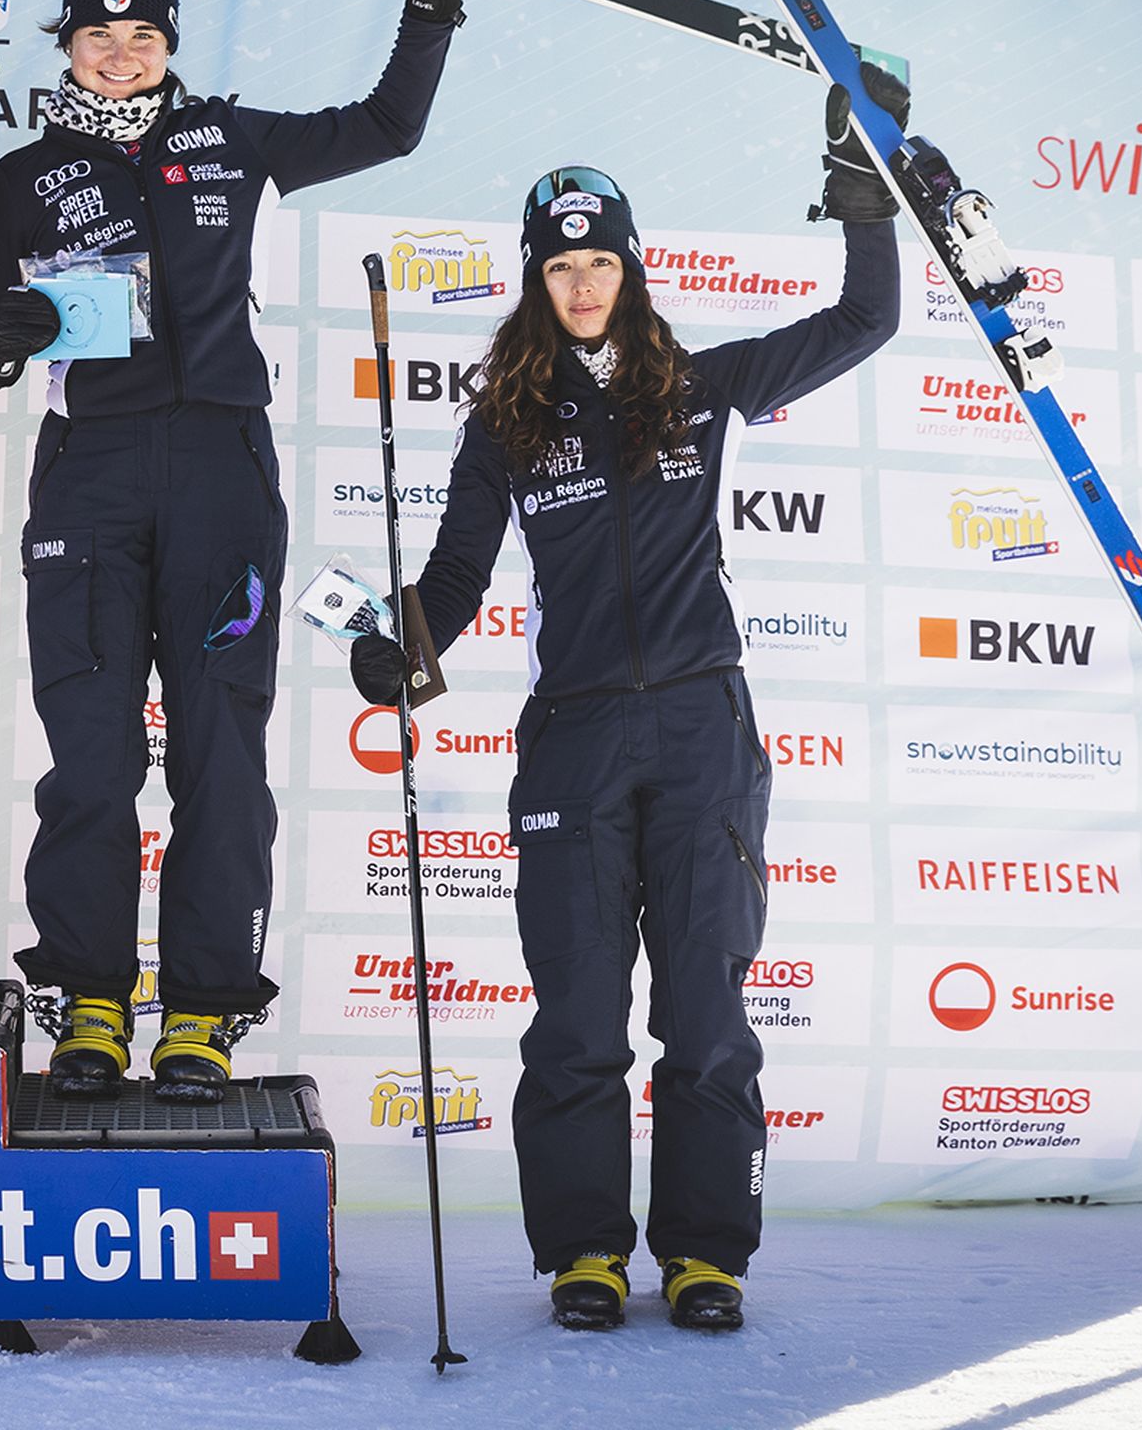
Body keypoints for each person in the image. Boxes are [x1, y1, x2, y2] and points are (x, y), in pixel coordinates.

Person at [0, 0, 544, 1104]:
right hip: (91, 475)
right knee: (92, 757)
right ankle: (94, 999)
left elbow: (388, 126)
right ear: (65, 43)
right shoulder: (25, 174)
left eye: (145, 35)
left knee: (221, 750)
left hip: (224, 469)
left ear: (171, 43)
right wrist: (2, 332)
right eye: (99, 35)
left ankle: (205, 1011)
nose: (121, 54)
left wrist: (429, 5)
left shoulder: (232, 141)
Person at [352, 74, 906, 1330]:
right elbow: (452, 577)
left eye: (601, 260)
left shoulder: (701, 390)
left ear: (633, 269)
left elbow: (866, 317)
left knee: (707, 1011)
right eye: (561, 267)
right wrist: (403, 649)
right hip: (576, 737)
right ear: (537, 283)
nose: (584, 283)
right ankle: (587, 1254)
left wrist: (863, 195)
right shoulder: (504, 426)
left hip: (704, 729)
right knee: (580, 1014)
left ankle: (707, 1254)